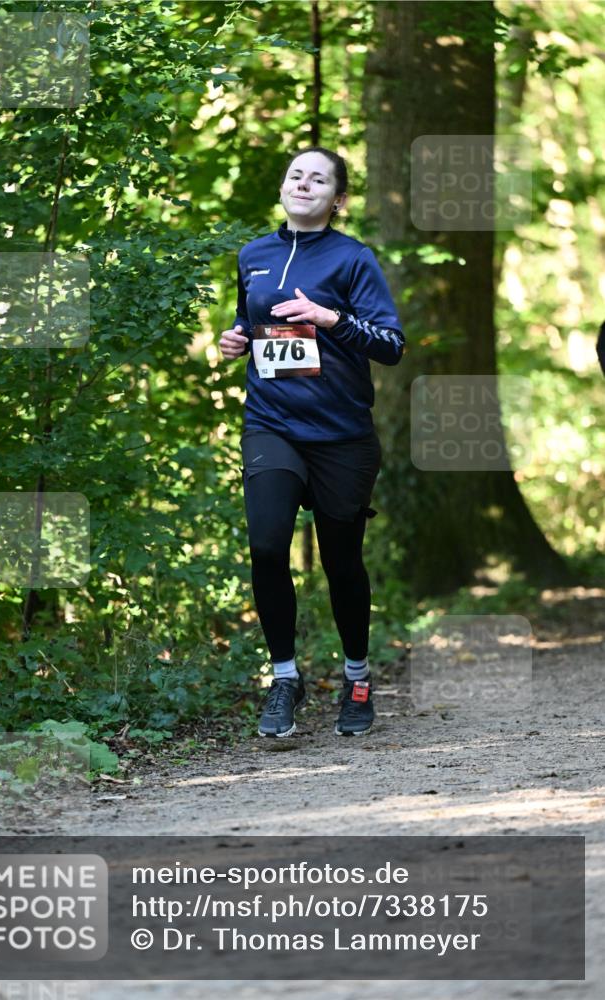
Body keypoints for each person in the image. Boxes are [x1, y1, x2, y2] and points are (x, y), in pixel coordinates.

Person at [219, 146, 404, 738]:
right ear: (283, 186)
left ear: (337, 198)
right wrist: (238, 339)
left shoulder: (353, 260)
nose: (304, 183)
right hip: (272, 424)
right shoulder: (254, 255)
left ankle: (356, 679)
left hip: (342, 436)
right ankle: (285, 680)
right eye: (295, 173)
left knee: (341, 560)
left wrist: (330, 320)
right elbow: (254, 322)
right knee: (268, 547)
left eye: (318, 178)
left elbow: (391, 345)